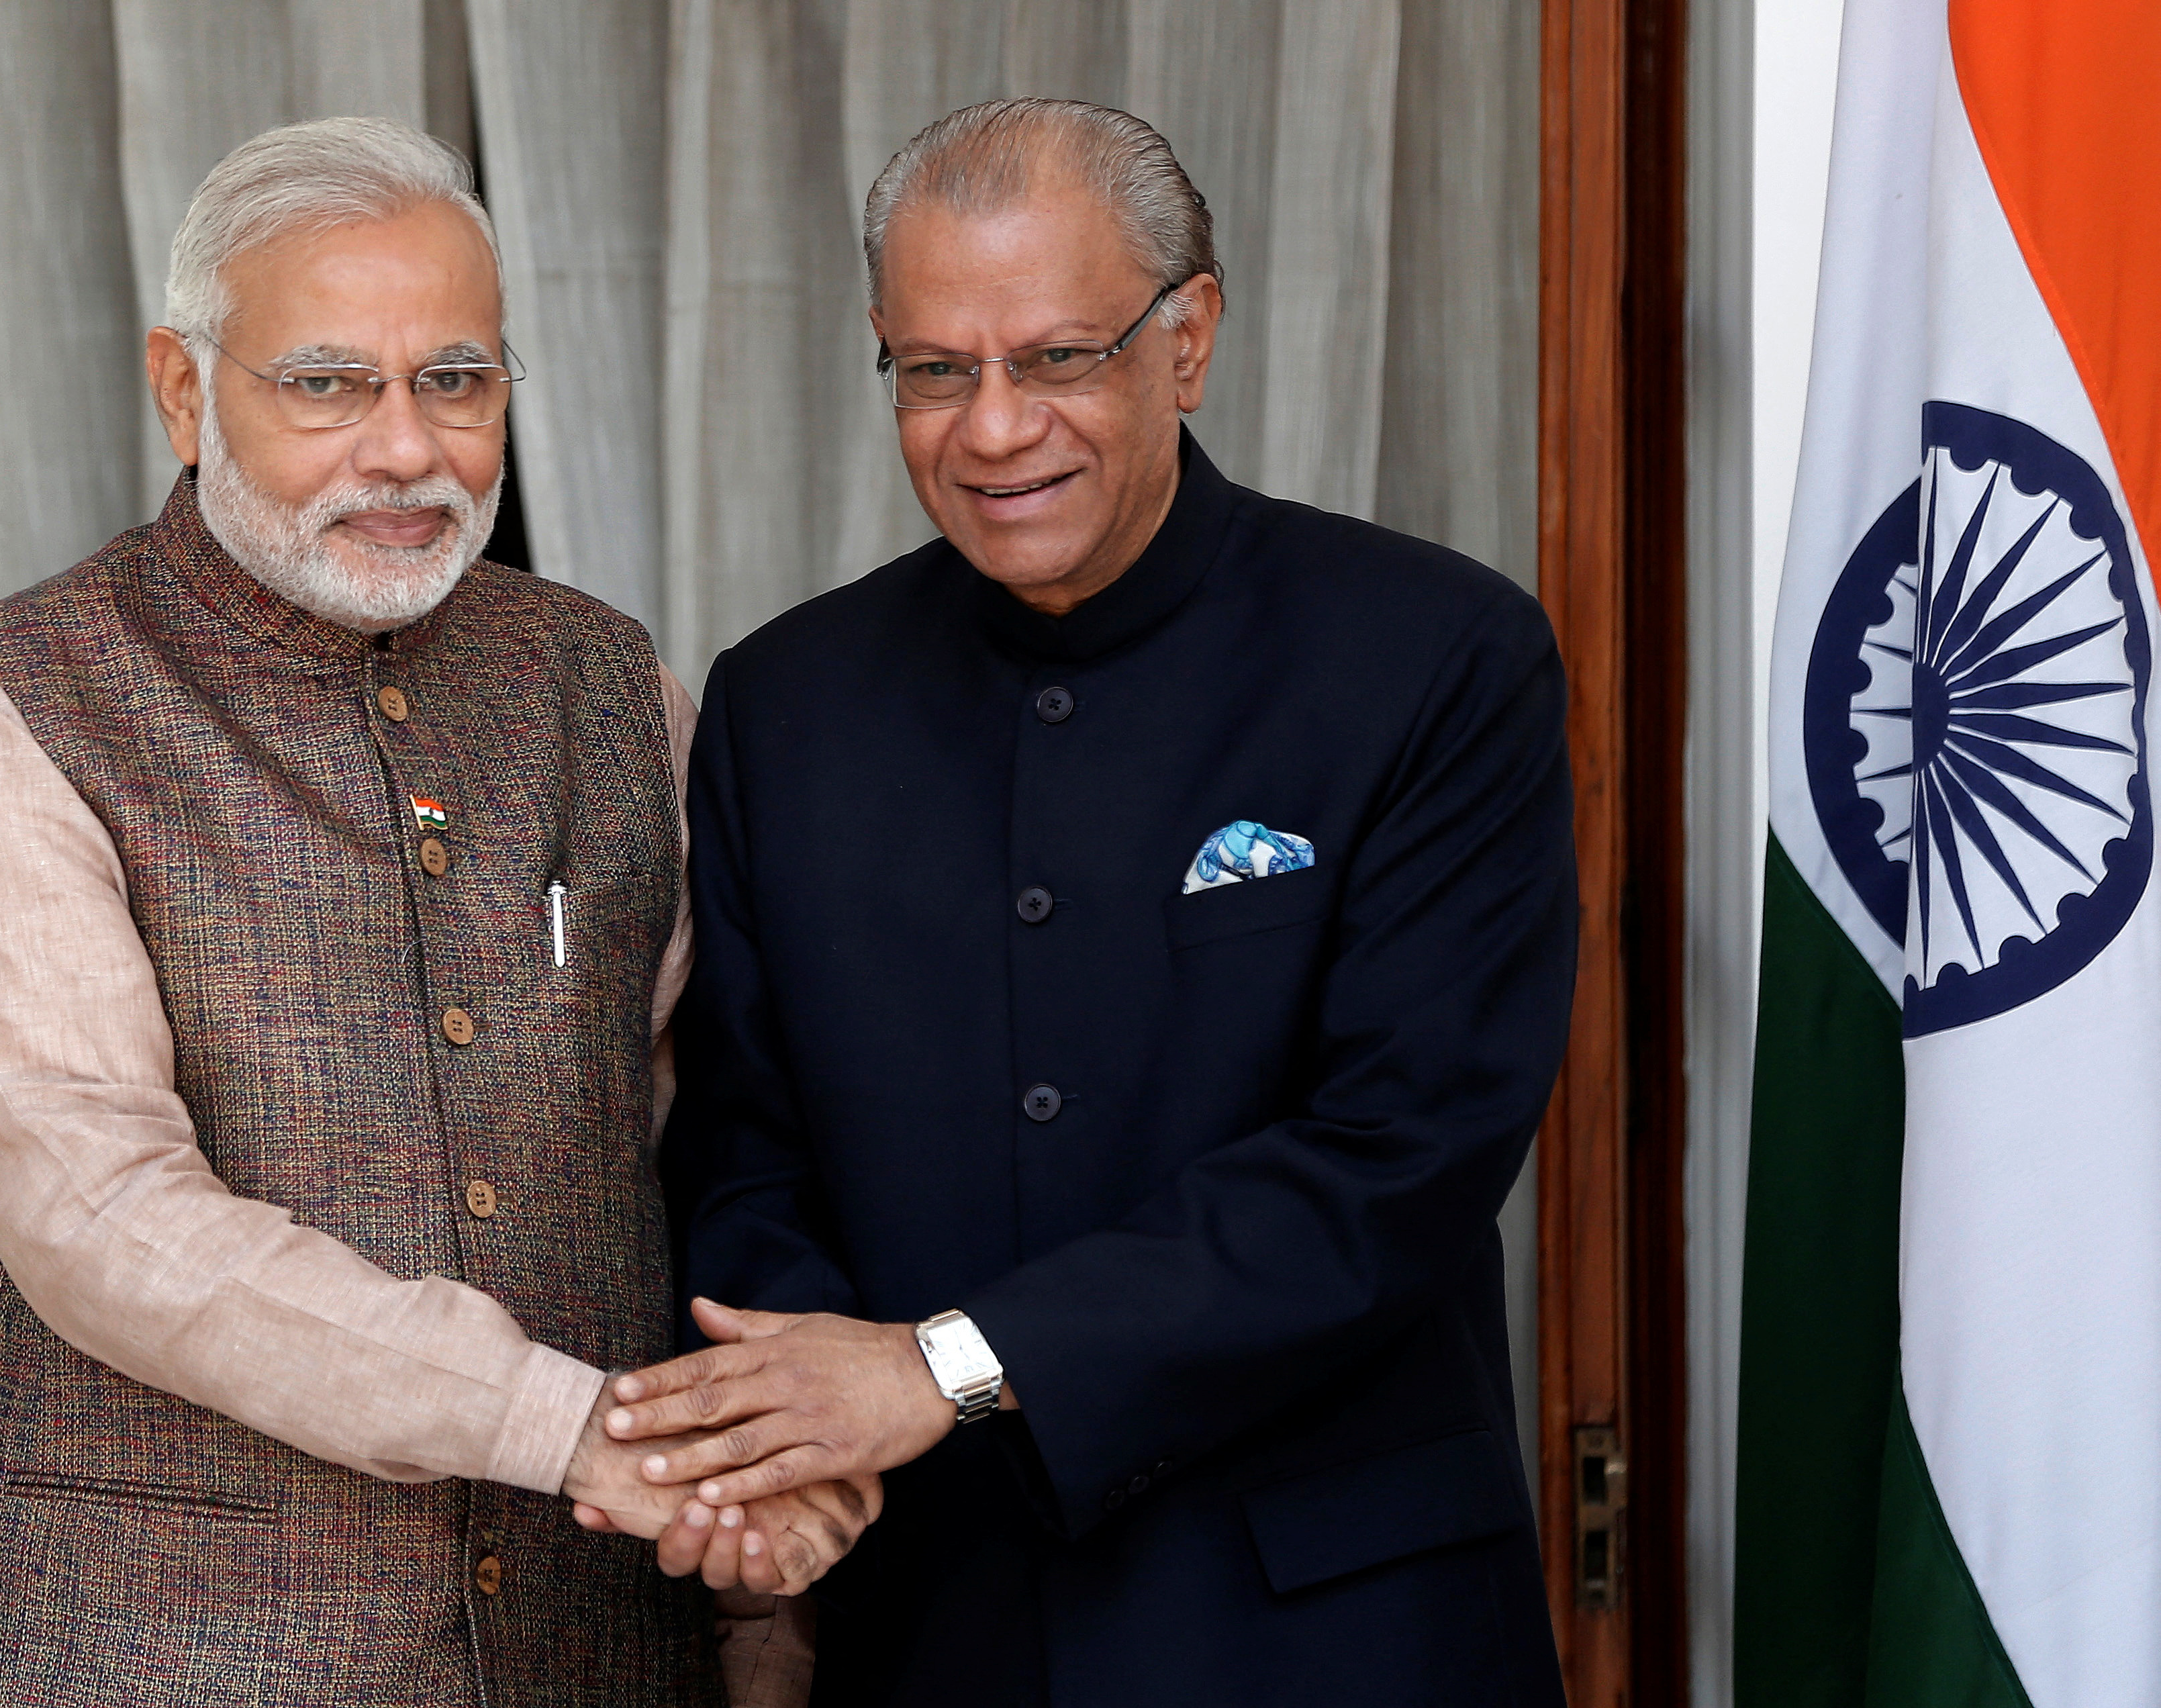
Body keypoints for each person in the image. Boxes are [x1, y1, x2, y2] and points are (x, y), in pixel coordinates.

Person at [0, 117, 864, 1706]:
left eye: (456, 381)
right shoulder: (11, 709)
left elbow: (719, 1132)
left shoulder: (603, 682)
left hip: (589, 1639)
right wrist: (572, 1428)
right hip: (153, 1650)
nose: (406, 450)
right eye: (326, 384)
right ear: (186, 391)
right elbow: (99, 1218)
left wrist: (761, 1540)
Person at [606, 98, 1578, 1705]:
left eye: (1058, 358)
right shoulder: (787, 703)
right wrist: (788, 1436)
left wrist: (938, 1369)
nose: (994, 430)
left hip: (1336, 1630)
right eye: (936, 369)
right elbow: (744, 1141)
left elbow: (1393, 1160)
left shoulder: (1436, 659)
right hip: (933, 1626)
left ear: (1187, 339)